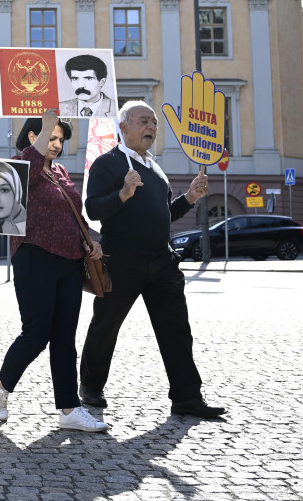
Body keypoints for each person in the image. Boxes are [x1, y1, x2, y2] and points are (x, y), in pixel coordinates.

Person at [78, 100, 224, 419]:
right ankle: (90, 387)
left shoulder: (156, 170)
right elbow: (93, 209)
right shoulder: (108, 164)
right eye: (144, 121)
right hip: (122, 261)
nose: (151, 128)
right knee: (106, 326)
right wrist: (123, 194)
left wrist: (190, 198)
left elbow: (164, 215)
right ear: (124, 127)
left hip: (161, 262)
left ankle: (187, 397)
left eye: (155, 123)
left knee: (176, 330)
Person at [0, 109, 109, 433]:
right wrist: (47, 123)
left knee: (64, 338)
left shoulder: (61, 172)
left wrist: (90, 242)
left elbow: (74, 215)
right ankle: (1, 383)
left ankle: (69, 408)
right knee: (36, 334)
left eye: (60, 139)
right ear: (34, 135)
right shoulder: (22, 166)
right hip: (34, 257)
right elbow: (27, 168)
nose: (57, 144)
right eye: (51, 138)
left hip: (69, 261)